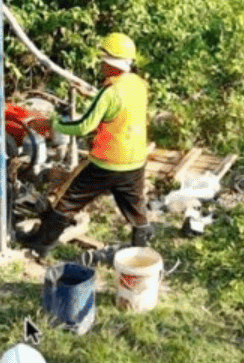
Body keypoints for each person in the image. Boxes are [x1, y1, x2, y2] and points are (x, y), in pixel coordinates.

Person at [22, 32, 152, 252]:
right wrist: (91, 95)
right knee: (136, 207)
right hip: (135, 161)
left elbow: (84, 126)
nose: (101, 65)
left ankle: (41, 245)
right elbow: (119, 106)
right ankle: (142, 248)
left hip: (107, 163)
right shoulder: (139, 84)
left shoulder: (109, 92)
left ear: (111, 64)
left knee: (67, 199)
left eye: (103, 61)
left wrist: (52, 124)